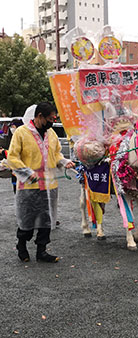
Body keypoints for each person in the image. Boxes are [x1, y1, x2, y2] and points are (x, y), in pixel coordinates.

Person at [7, 102, 75, 262]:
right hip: (28, 186)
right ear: (39, 117)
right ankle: (22, 246)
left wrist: (64, 162)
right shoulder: (21, 133)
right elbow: (12, 157)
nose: (52, 122)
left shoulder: (51, 134)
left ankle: (42, 251)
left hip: (49, 185)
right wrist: (27, 173)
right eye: (50, 119)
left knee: (46, 220)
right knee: (27, 219)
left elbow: (57, 153)